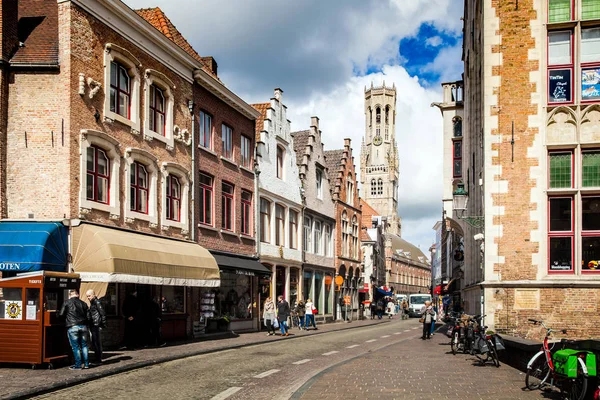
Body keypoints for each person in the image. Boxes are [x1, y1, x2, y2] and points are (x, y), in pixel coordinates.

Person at [59, 289, 90, 370]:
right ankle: (86, 364)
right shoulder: (84, 303)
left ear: (70, 295)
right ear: (78, 295)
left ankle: (78, 365)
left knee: (75, 347)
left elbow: (61, 314)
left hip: (72, 326)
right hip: (83, 326)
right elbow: (89, 316)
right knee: (84, 346)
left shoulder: (67, 302)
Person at [86, 289, 106, 364]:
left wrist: (102, 324)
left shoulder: (97, 302)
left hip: (96, 324)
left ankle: (98, 359)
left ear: (93, 295)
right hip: (94, 324)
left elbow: (102, 313)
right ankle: (97, 358)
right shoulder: (93, 302)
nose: (88, 298)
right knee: (94, 342)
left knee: (96, 342)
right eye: (87, 296)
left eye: (89, 296)